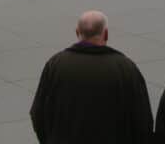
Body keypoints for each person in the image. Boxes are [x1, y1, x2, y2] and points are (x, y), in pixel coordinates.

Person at [30, 10, 152, 143]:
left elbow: (38, 113)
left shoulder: (56, 65)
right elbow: (142, 120)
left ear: (77, 32)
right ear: (106, 34)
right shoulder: (126, 68)